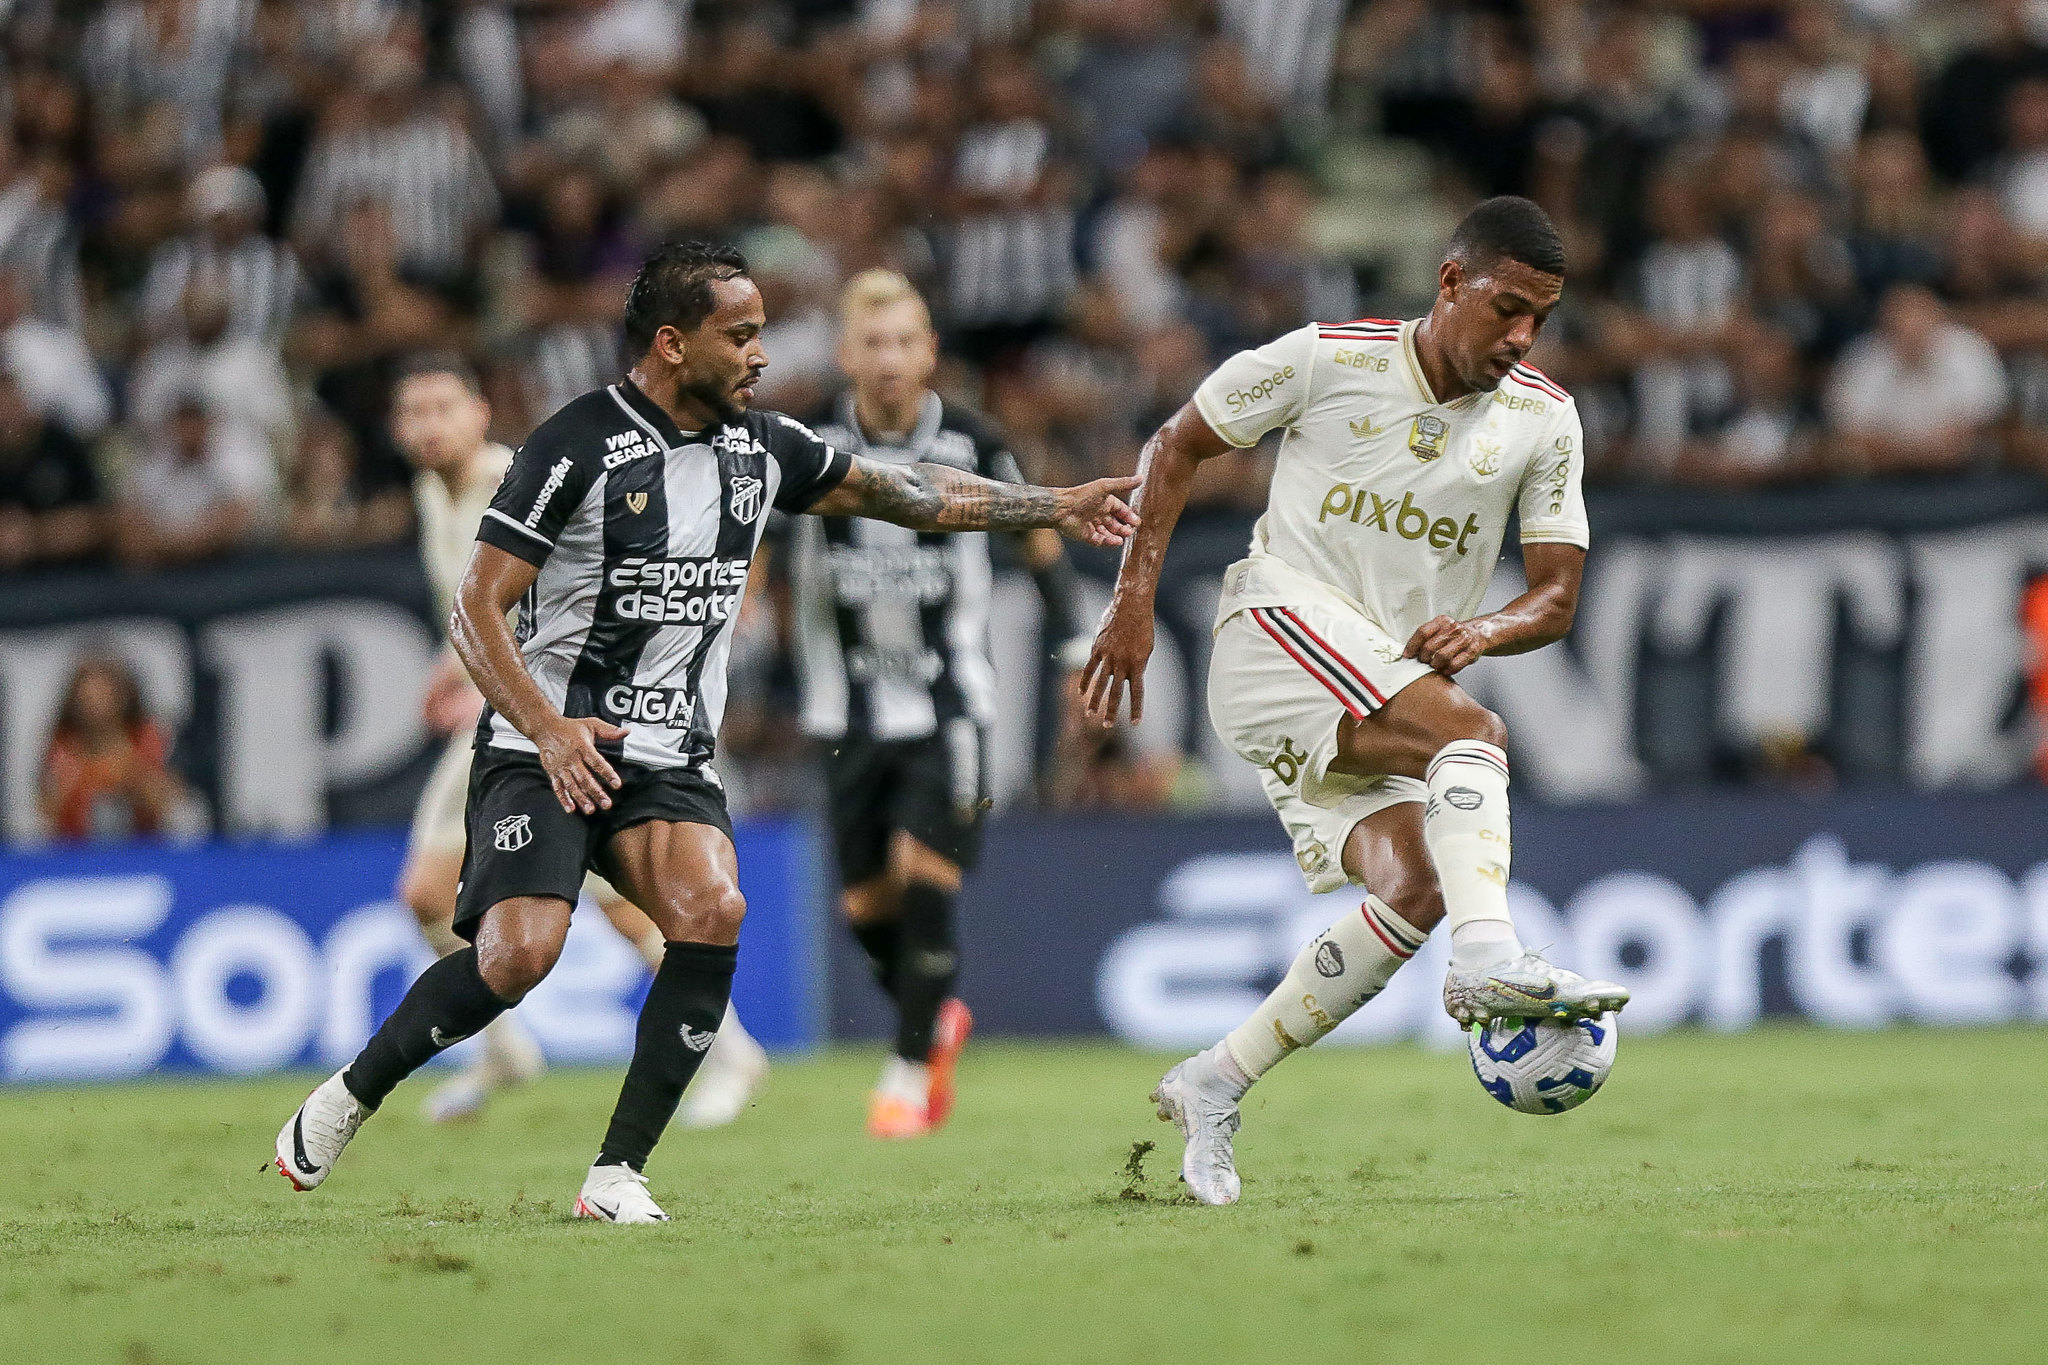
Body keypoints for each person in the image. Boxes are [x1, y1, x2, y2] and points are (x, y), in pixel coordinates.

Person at [275, 240, 1139, 1222]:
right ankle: (349, 1096)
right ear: (673, 344)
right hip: (542, 748)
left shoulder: (759, 449)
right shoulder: (577, 444)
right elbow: (476, 608)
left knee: (712, 909)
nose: (761, 354)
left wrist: (1052, 504)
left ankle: (615, 1175)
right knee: (518, 958)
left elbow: (906, 493)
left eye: (761, 333)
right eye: (741, 336)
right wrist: (549, 729)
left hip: (666, 755)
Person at [1083, 197, 1630, 1206]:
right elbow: (1175, 444)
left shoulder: (1544, 419)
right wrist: (1130, 609)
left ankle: (1215, 1078)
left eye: (1538, 321)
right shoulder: (1327, 357)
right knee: (1473, 734)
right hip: (1276, 631)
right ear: (1448, 282)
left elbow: (1555, 594)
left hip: (1366, 693)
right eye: (1504, 307)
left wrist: (1487, 629)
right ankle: (1489, 961)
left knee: (1417, 885)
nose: (1519, 336)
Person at [387, 351, 773, 1128]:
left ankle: (727, 1052)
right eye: (414, 412)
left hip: (552, 718)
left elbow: (567, 587)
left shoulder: (510, 479)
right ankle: (507, 1052)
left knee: (618, 905)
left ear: (479, 414)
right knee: (436, 896)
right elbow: (477, 604)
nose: (429, 427)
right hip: (512, 716)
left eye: (444, 408)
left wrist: (507, 686)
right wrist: (450, 667)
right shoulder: (435, 493)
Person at [783, 270, 1092, 1138]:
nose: (888, 360)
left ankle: (907, 1073)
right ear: (847, 353)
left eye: (905, 342)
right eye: (872, 343)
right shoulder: (808, 443)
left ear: (930, 352)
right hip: (841, 708)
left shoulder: (973, 440)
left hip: (951, 700)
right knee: (865, 907)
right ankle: (936, 1019)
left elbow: (1036, 535)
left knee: (927, 877)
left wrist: (1074, 647)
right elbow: (763, 559)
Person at [39, 655, 195, 842]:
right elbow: (44, 813)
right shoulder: (61, 746)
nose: (94, 701)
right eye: (86, 693)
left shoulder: (148, 738)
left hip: (147, 847)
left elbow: (173, 800)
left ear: (123, 694)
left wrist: (135, 779)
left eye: (102, 692)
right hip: (75, 852)